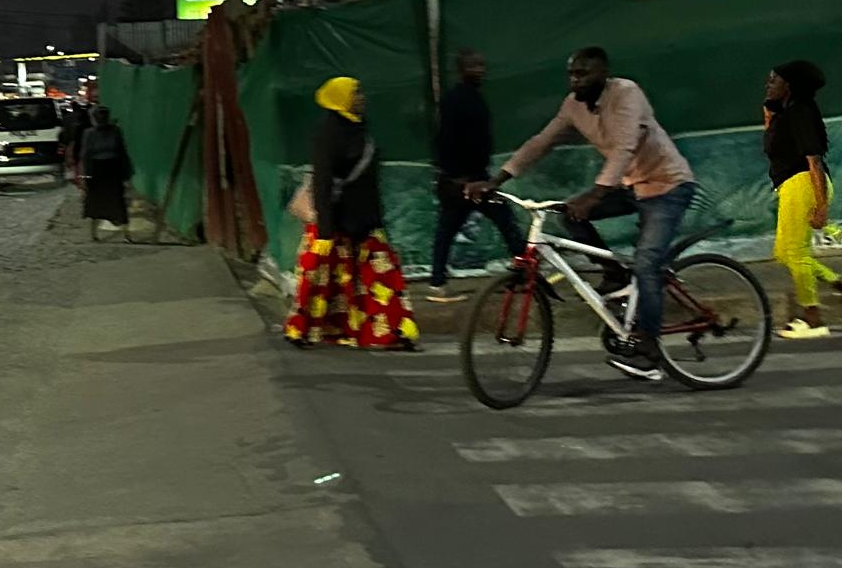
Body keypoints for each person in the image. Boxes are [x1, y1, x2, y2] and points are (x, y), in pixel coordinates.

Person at [471, 47, 696, 381]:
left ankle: (649, 347)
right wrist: (496, 179)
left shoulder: (626, 93)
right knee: (569, 215)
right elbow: (541, 142)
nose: (575, 79)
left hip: (667, 186)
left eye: (584, 73)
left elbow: (624, 147)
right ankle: (615, 275)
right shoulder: (574, 105)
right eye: (572, 73)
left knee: (647, 263)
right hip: (631, 187)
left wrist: (595, 194)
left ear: (603, 72)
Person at [285, 78, 418, 350]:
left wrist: (377, 217)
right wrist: (324, 230)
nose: (362, 97)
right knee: (319, 279)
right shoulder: (327, 133)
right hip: (334, 222)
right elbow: (322, 181)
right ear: (340, 98)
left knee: (382, 278)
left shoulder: (360, 129)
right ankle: (301, 329)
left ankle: (392, 332)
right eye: (355, 93)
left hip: (366, 222)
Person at [764, 60, 842, 336]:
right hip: (791, 186)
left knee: (797, 254)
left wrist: (821, 205)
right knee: (783, 254)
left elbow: (813, 159)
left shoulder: (800, 112)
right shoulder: (785, 113)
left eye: (774, 80)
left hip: (804, 184)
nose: (768, 84)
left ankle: (813, 318)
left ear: (788, 86)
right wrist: (769, 112)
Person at [426, 49, 522, 302]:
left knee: (449, 229)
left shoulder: (469, 97)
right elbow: (447, 140)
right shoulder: (457, 100)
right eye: (473, 65)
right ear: (461, 69)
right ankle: (526, 273)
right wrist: (459, 177)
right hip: (466, 180)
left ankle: (437, 282)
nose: (479, 69)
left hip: (468, 178)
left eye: (481, 64)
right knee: (503, 220)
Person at [77, 105, 132, 240]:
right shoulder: (89, 133)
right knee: (96, 203)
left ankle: (126, 234)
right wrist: (84, 178)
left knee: (118, 202)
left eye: (103, 116)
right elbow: (85, 156)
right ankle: (94, 234)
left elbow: (122, 152)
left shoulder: (115, 131)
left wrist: (127, 173)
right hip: (97, 170)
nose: (101, 119)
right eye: (98, 116)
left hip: (113, 170)